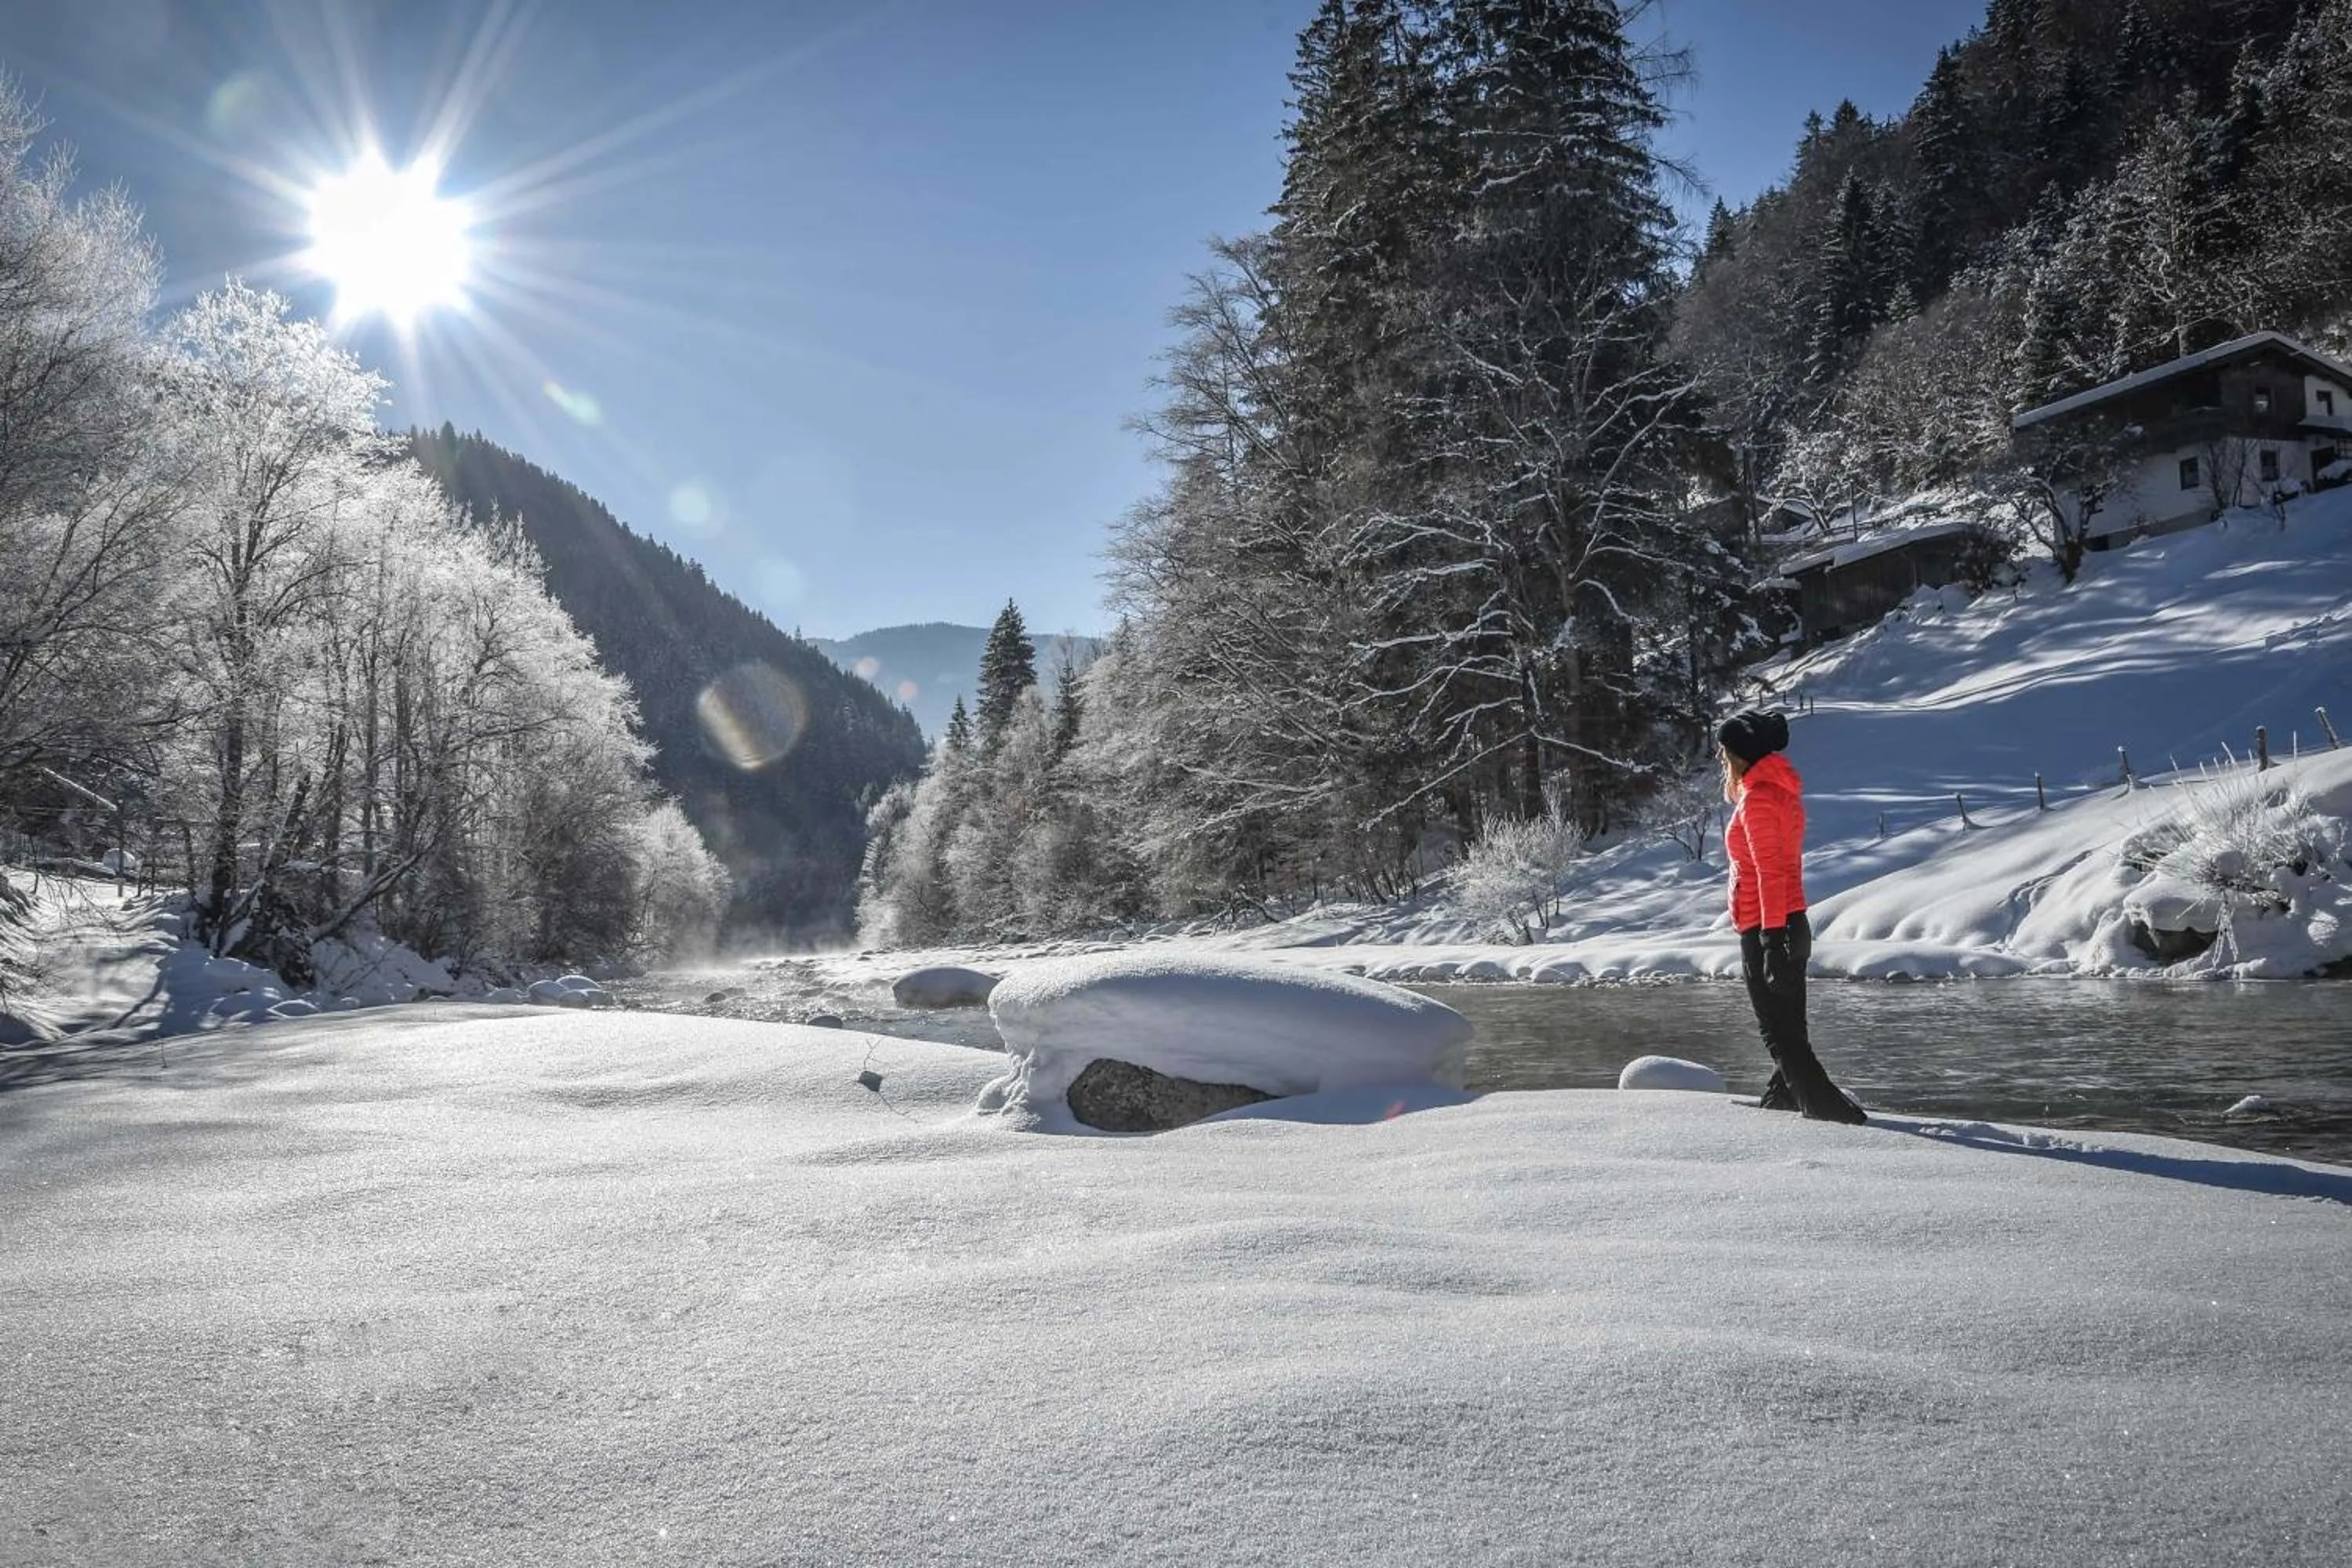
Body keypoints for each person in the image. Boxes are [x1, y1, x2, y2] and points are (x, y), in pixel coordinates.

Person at [1719, 710, 1867, 1124]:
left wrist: (1768, 940)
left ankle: (1830, 1114)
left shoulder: (1759, 799)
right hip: (1790, 924)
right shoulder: (1781, 793)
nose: (1723, 761)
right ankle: (1779, 1101)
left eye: (1726, 753)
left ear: (1742, 755)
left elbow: (1769, 872)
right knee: (1790, 1027)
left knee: (1778, 1033)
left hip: (1768, 928)